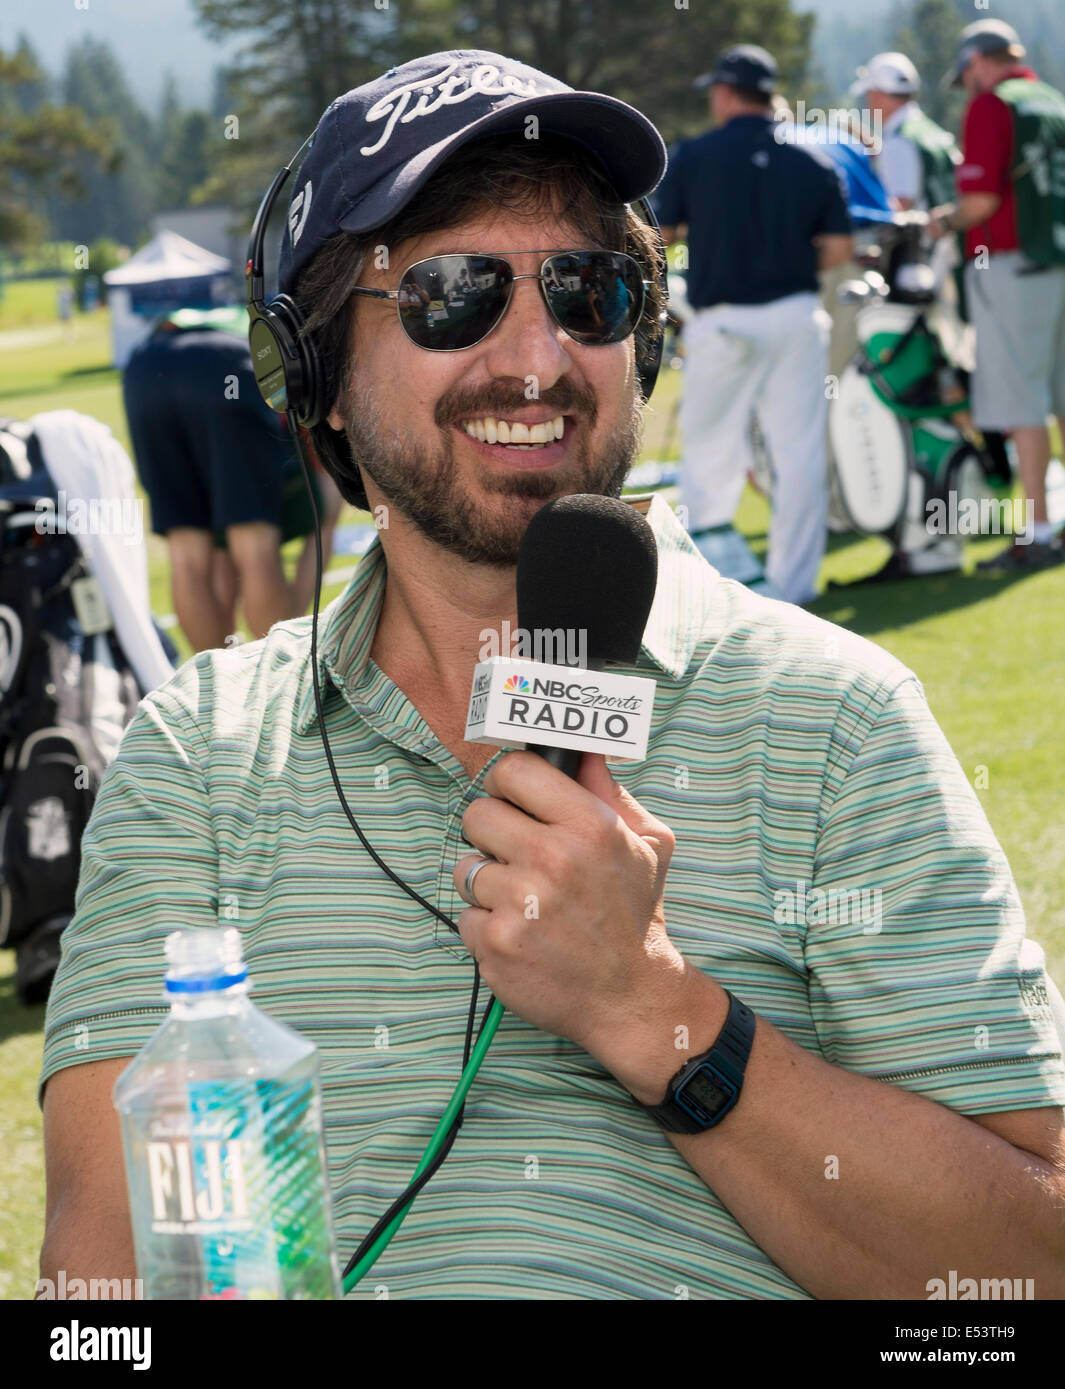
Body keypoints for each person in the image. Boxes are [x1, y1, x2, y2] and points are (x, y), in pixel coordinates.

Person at [40, 51, 1065, 1301]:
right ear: (312, 376)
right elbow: (98, 1281)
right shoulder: (199, 750)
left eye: (590, 290)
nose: (539, 356)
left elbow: (1029, 1271)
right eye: (451, 293)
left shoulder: (836, 714)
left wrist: (658, 1013)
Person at [654, 45, 854, 606]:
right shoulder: (814, 158)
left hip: (722, 322)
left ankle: (703, 593)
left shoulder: (695, 155)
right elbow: (839, 248)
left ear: (723, 93)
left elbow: (660, 236)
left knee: (710, 458)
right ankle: (796, 590)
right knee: (798, 457)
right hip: (795, 316)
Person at [122, 307, 343, 651]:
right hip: (225, 365)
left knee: (187, 554)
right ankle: (280, 668)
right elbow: (324, 518)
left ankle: (218, 682)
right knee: (254, 546)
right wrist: (295, 617)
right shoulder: (298, 353)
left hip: (145, 369)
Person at [929, 18, 1065, 570]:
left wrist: (943, 220)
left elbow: (981, 202)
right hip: (1057, 260)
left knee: (1022, 403)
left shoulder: (993, 104)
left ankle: (1037, 532)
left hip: (1014, 265)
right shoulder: (1053, 101)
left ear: (978, 63)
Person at [851, 52, 960, 214]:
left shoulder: (898, 141)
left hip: (925, 236)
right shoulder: (929, 129)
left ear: (877, 94)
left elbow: (900, 204)